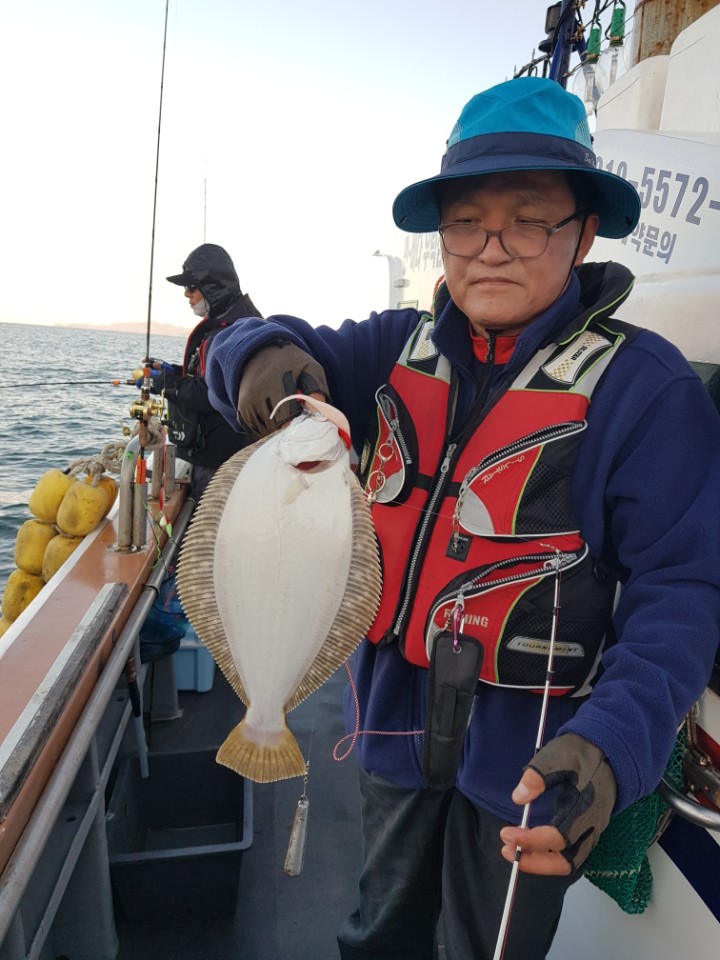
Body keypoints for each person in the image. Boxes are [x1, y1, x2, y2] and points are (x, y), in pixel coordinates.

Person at [204, 78, 720, 960]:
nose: (491, 250)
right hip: (391, 731)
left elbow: (682, 592)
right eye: (466, 224)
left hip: (535, 760)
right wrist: (262, 365)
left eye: (529, 222)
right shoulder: (389, 350)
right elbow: (251, 346)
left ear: (584, 232)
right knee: (378, 930)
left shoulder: (648, 391)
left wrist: (610, 747)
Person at [138, 242, 262, 502]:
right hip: (221, 455)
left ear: (212, 286)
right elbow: (213, 376)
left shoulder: (232, 331)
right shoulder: (233, 323)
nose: (186, 294)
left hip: (220, 461)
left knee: (210, 523)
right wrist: (173, 371)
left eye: (191, 287)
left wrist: (164, 383)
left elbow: (210, 395)